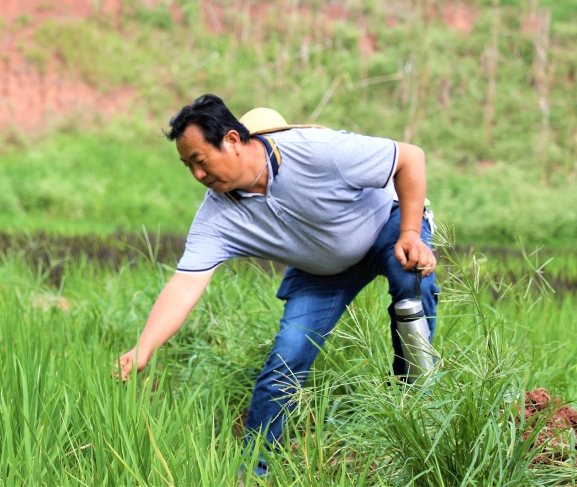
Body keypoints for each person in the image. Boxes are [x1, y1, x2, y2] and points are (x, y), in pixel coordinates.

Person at [115, 94, 438, 474]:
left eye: (200, 161)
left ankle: (413, 403)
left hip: (385, 229)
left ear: (233, 140)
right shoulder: (217, 214)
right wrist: (144, 347)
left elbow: (409, 157)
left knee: (411, 284)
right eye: (188, 166)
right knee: (287, 356)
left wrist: (412, 233)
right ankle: (254, 471)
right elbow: (185, 285)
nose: (197, 176)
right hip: (320, 271)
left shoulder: (316, 151)